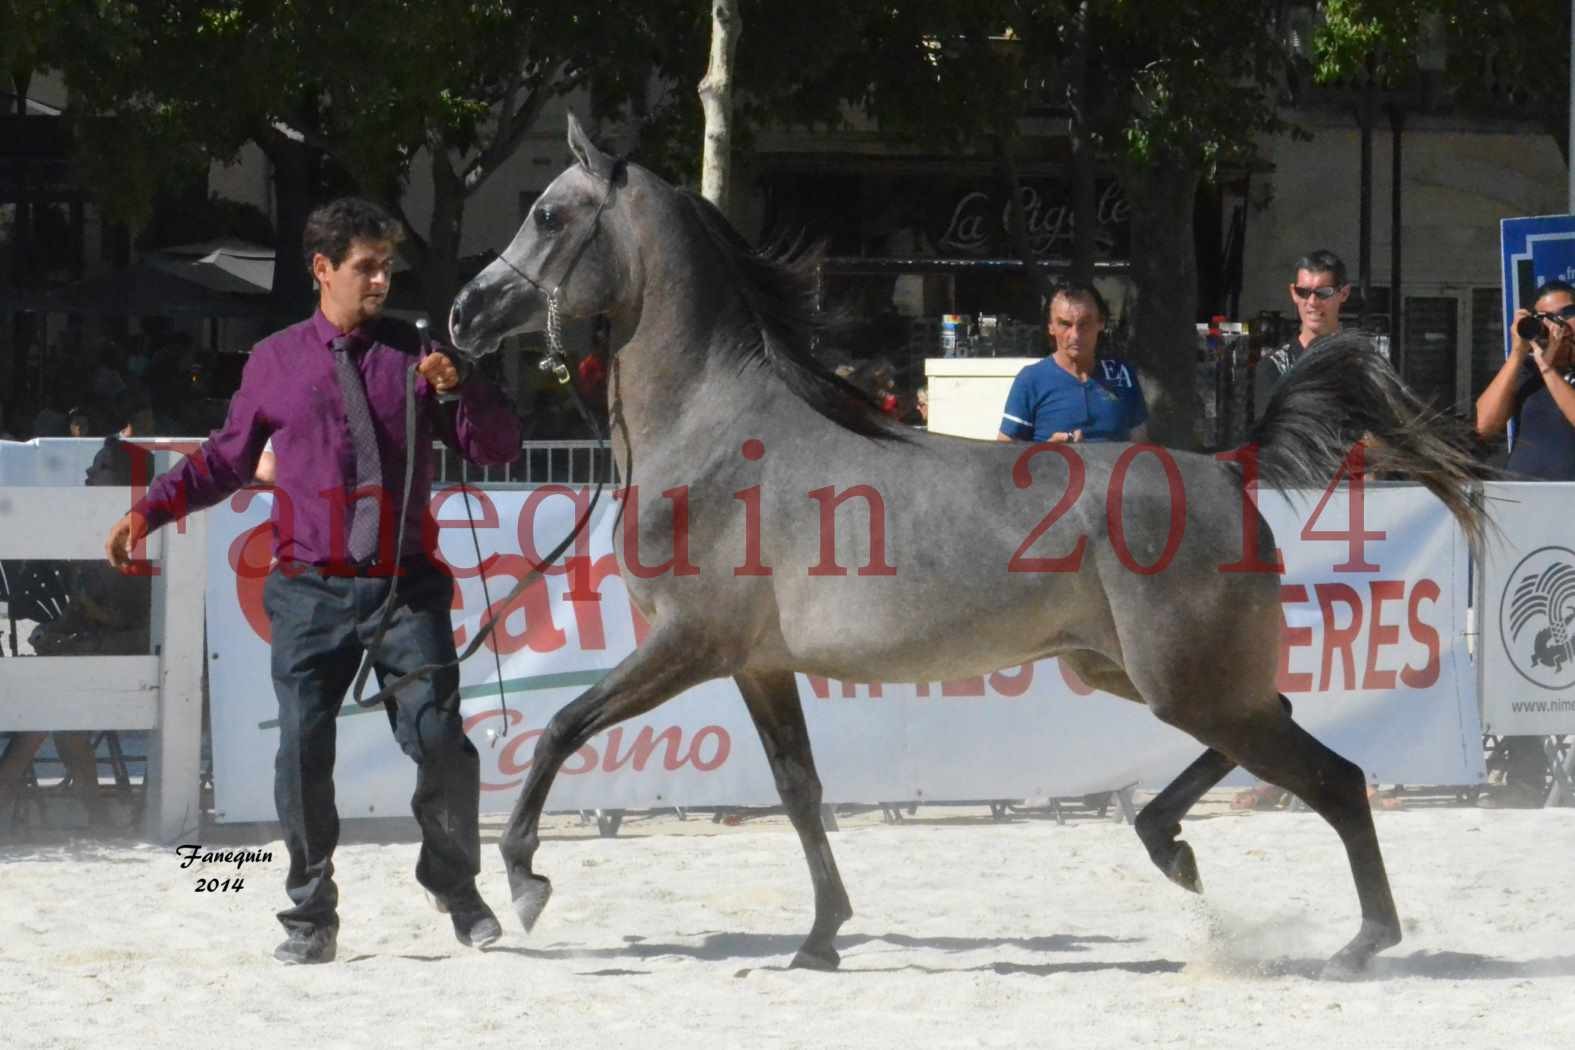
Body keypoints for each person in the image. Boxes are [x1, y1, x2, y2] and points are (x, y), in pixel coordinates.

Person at [103, 197, 524, 964]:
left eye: (387, 265)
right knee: (301, 748)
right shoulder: (272, 361)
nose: (381, 279)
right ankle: (309, 913)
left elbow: (495, 449)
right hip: (306, 590)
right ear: (322, 270)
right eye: (366, 266)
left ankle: (450, 879)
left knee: (440, 743)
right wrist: (152, 510)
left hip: (406, 585)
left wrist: (462, 388)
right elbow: (225, 459)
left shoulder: (420, 355)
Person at [1472, 278, 1575, 808]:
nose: (1553, 325)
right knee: (1519, 649)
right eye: (1543, 316)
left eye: (1563, 314)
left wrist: (1553, 368)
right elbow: (1485, 425)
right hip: (1524, 524)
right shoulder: (1530, 371)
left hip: (1570, 525)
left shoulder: (1556, 374)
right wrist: (1520, 355)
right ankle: (1525, 767)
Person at [997, 283, 1147, 445]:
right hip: (1049, 470)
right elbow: (1004, 454)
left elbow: (1141, 451)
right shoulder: (1031, 379)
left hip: (1113, 470)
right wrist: (1045, 452)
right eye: (1065, 324)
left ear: (1101, 323)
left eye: (1084, 324)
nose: (1075, 335)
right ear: (1050, 327)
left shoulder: (1121, 373)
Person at [1253, 249, 1352, 422]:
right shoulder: (1274, 368)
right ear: (1293, 293)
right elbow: (1271, 439)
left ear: (1343, 293)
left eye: (1323, 292)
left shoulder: (1361, 364)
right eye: (1304, 292)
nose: (1312, 302)